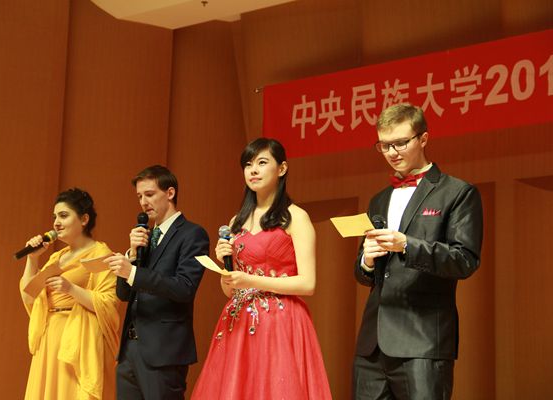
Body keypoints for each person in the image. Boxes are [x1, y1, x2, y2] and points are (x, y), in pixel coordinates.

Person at [353, 103, 483, 399]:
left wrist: (407, 245)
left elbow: (464, 260)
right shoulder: (379, 199)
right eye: (384, 145)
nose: (392, 152)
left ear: (423, 138)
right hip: (372, 347)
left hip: (422, 342)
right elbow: (364, 276)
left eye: (401, 143)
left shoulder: (458, 193)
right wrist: (367, 261)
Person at [191, 138, 332, 399]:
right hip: (239, 321)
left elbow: (307, 284)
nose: (253, 170)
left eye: (262, 162)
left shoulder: (295, 217)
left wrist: (251, 281)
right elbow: (231, 290)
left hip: (281, 322)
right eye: (248, 164)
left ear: (282, 168)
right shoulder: (237, 221)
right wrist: (226, 270)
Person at [105, 165, 209, 400]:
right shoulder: (145, 237)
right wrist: (132, 255)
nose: (143, 202)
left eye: (150, 194)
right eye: (139, 196)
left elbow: (184, 287)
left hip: (164, 351)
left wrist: (133, 272)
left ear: (170, 193)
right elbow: (123, 294)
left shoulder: (192, 234)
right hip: (129, 349)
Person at [20, 188, 120, 400]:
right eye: (54, 217)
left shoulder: (100, 254)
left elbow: (109, 303)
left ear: (84, 219)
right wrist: (32, 259)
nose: (56, 223)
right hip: (50, 338)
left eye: (63, 215)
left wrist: (71, 289)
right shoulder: (57, 257)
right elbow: (29, 296)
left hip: (78, 342)